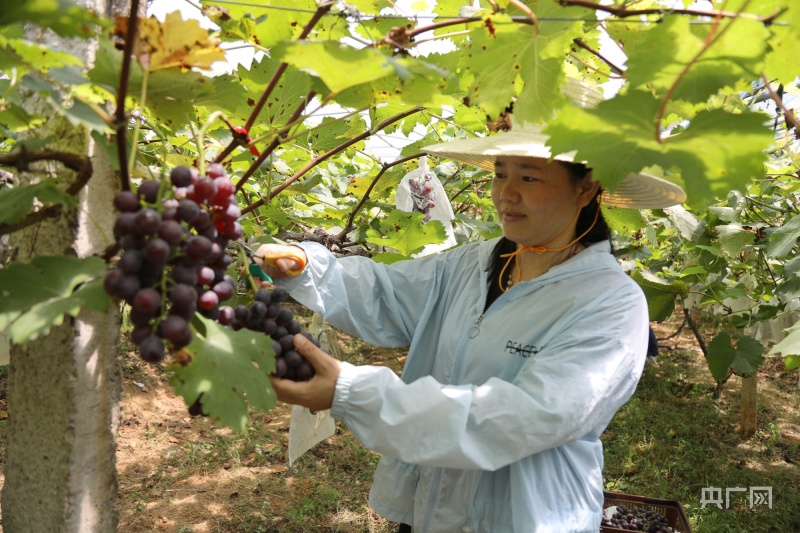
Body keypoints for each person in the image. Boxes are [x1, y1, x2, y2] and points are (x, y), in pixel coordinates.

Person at [254, 123, 686, 533]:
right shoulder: (473, 263)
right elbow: (389, 293)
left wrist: (351, 392)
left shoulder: (609, 304)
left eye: (530, 178)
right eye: (500, 174)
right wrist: (310, 267)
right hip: (429, 507)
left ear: (587, 187)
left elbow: (525, 417)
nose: (505, 194)